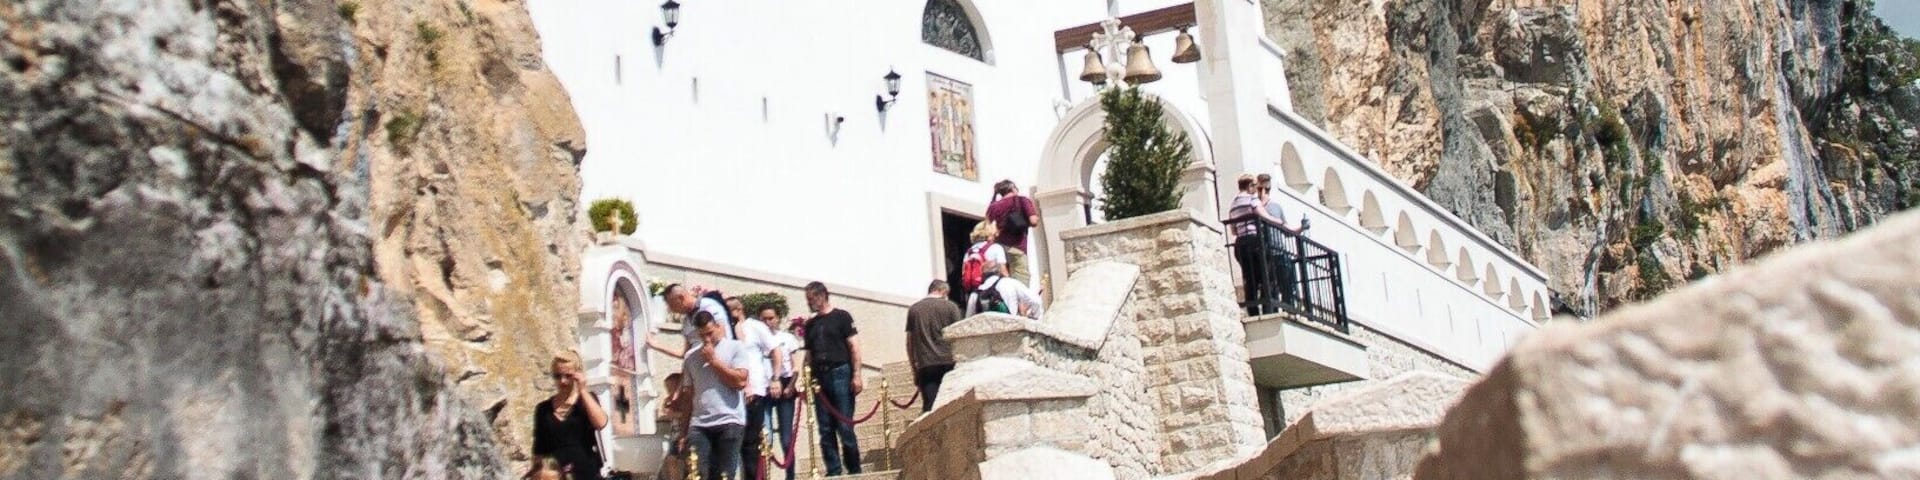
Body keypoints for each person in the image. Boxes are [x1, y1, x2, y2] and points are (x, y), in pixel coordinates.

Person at [797, 282, 864, 476]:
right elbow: (808, 355)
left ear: (822, 296)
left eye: (812, 299)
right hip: (820, 377)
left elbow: (854, 346)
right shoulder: (810, 325)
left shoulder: (842, 317)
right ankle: (833, 469)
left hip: (841, 373)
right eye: (808, 300)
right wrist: (804, 381)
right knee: (825, 428)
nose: (810, 303)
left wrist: (857, 375)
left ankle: (854, 468)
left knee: (844, 425)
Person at [684, 310, 754, 480]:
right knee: (696, 473)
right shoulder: (691, 357)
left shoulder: (735, 348)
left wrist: (714, 361)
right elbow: (688, 395)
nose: (707, 339)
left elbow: (739, 382)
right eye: (702, 335)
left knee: (723, 475)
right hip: (699, 423)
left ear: (718, 327)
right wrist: (683, 430)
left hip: (729, 421)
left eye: (710, 333)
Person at [531, 355, 609, 480]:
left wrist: (582, 390)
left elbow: (601, 423)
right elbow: (539, 449)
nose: (562, 381)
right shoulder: (543, 409)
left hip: (587, 473)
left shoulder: (587, 401)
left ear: (578, 375)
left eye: (568, 375)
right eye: (557, 376)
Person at [728, 297, 781, 480]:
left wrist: (775, 378)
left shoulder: (755, 327)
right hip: (734, 392)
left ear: (739, 309)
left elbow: (775, 350)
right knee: (737, 443)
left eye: (731, 311)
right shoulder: (727, 330)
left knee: (752, 442)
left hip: (755, 390)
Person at [904, 280, 964, 412]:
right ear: (942, 291)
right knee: (952, 405)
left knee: (930, 406)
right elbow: (959, 335)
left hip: (926, 363)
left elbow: (910, 342)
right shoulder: (951, 307)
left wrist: (914, 368)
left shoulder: (914, 309)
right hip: (949, 361)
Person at [760, 306, 802, 480]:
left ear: (778, 318)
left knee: (786, 438)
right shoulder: (757, 339)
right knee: (765, 437)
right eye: (764, 319)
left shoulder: (787, 338)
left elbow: (795, 365)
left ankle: (790, 475)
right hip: (764, 386)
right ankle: (764, 475)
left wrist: (791, 385)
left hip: (785, 385)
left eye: (771, 318)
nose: (768, 322)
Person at [646, 283, 732, 358]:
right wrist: (655, 345)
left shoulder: (709, 306)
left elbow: (722, 337)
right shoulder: (686, 322)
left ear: (681, 298)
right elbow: (684, 354)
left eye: (671, 305)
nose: (671, 309)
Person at [1227, 174, 1270, 315]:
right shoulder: (1252, 199)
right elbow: (1264, 215)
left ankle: (1253, 310)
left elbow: (1233, 230)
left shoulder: (1233, 204)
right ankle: (1268, 308)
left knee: (1249, 278)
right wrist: (1263, 202)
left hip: (1240, 244)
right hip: (1253, 241)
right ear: (1250, 186)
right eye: (1255, 186)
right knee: (1264, 275)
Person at [1256, 174, 1301, 308]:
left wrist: (1301, 228)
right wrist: (1261, 203)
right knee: (1268, 285)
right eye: (1262, 188)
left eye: (1266, 188)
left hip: (1279, 250)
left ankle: (1290, 308)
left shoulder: (1276, 207)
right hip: (1264, 251)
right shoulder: (1255, 206)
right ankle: (1270, 309)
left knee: (1286, 282)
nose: (1264, 192)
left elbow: (1286, 230)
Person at [985, 180, 1039, 284]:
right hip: (1017, 247)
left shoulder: (993, 207)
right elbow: (1033, 221)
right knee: (1021, 280)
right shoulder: (1022, 200)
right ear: (1013, 188)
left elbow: (988, 228)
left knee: (1003, 280)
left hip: (999, 247)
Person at [964, 260, 1044, 320]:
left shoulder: (975, 293)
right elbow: (1035, 301)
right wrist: (1033, 319)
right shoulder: (1010, 283)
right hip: (1011, 332)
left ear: (983, 275)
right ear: (999, 271)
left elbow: (968, 320)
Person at [655, 373, 691, 480]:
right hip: (674, 435)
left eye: (671, 388)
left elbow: (688, 415)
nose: (669, 391)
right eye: (667, 388)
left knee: (688, 460)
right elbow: (668, 414)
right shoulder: (671, 401)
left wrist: (672, 414)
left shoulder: (685, 400)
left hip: (685, 434)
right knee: (671, 458)